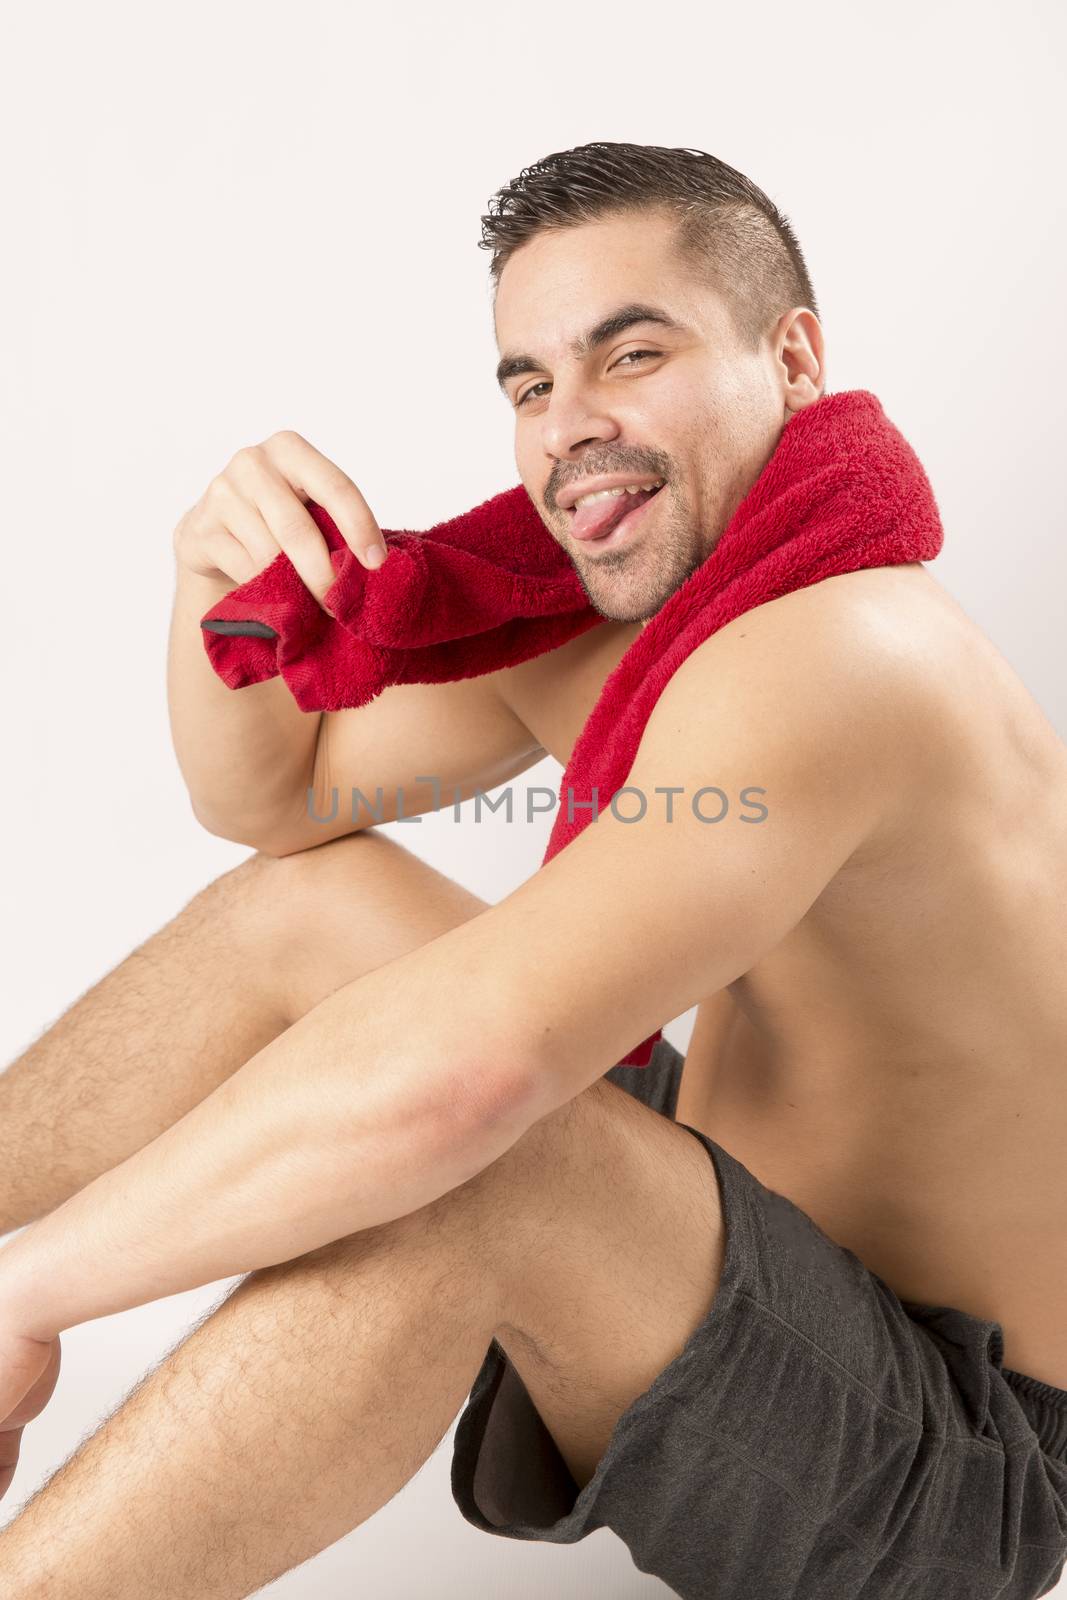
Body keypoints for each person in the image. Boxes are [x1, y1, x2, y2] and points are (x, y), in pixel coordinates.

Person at [0, 141, 1064, 1600]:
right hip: (739, 1237)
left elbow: (472, 1078)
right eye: (530, 383)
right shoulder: (612, 625)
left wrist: (31, 1291)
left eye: (631, 353)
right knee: (314, 914)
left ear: (797, 358)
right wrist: (218, 600)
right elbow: (284, 800)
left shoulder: (845, 651)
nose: (572, 427)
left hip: (951, 1456)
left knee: (499, 1153)